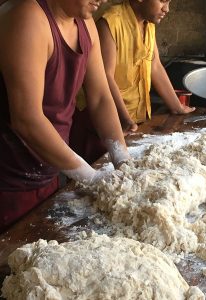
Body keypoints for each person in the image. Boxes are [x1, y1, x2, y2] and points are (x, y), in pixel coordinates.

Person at [0, 0, 130, 233]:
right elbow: (26, 118)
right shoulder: (28, 17)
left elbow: (100, 97)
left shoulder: (86, 24)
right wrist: (91, 177)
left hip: (49, 166)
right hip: (9, 179)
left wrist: (122, 159)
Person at [97, 0, 195, 134]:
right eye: (162, 1)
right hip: (110, 120)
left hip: (138, 117)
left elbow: (155, 66)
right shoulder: (110, 22)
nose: (166, 9)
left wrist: (177, 107)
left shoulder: (148, 24)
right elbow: (105, 76)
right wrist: (125, 118)